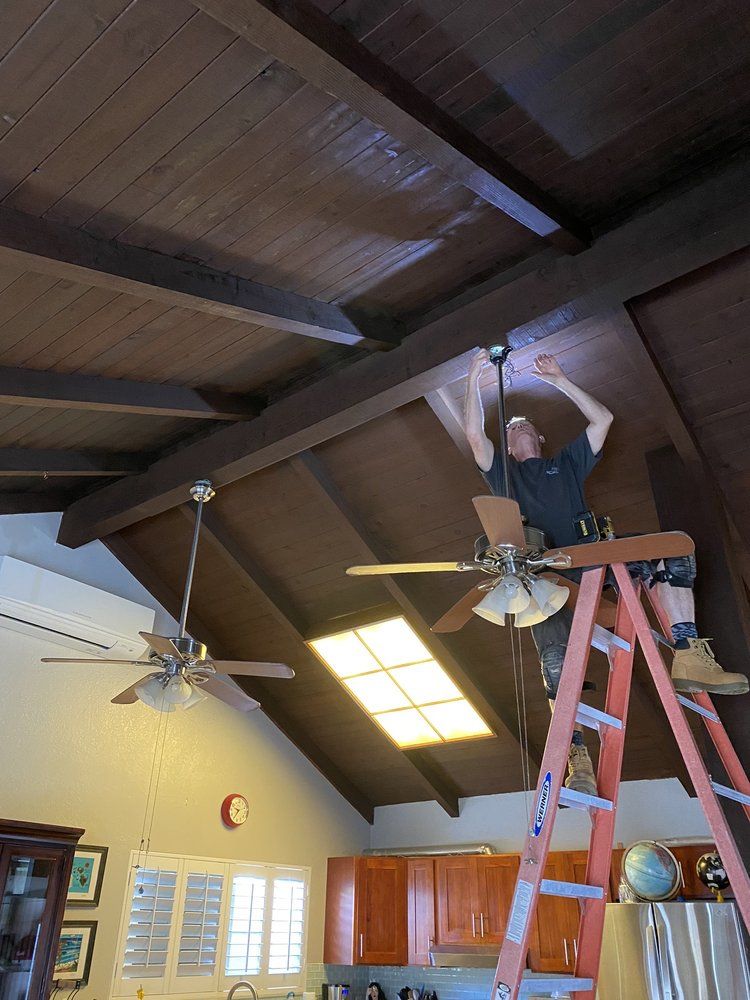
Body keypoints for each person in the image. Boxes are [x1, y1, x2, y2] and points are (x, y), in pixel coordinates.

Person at [464, 348, 748, 797]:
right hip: (544, 576)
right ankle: (576, 756)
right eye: (510, 427)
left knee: (672, 554)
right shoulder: (502, 476)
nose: (515, 429)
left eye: (523, 425)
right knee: (556, 664)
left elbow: (602, 420)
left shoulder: (568, 464)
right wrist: (473, 375)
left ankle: (689, 653)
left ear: (538, 435)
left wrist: (558, 378)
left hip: (593, 558)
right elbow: (474, 436)